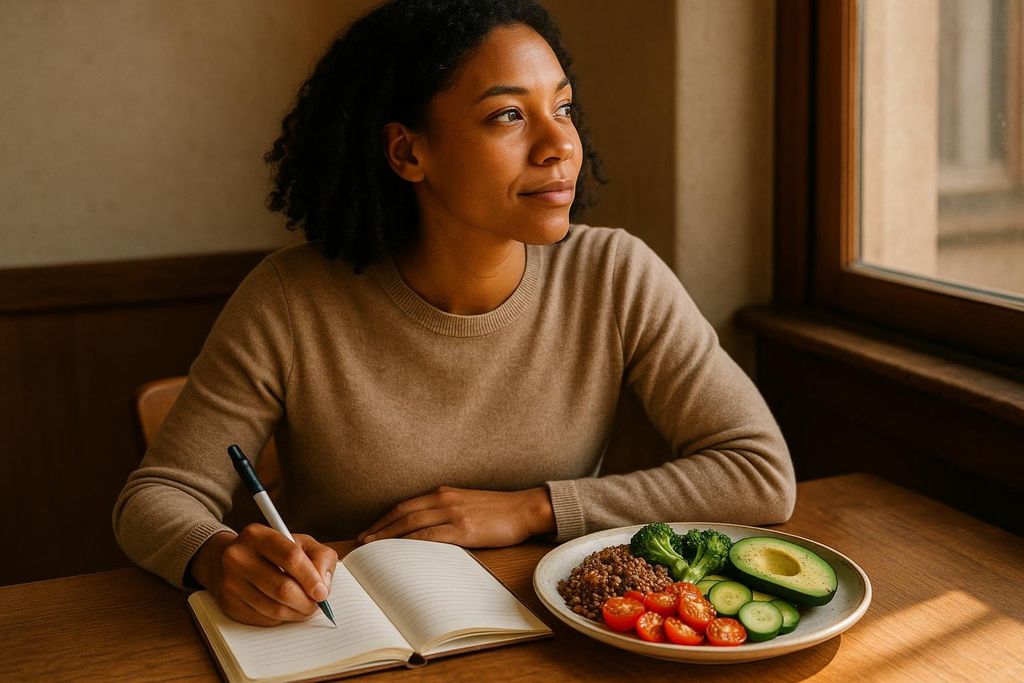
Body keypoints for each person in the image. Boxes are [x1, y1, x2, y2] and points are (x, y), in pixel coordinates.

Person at [113, 0, 796, 628]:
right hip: (344, 636)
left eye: (562, 107)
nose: (559, 145)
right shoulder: (290, 299)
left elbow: (759, 471)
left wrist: (533, 507)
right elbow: (158, 495)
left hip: (555, 632)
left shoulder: (615, 273)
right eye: (509, 115)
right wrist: (214, 552)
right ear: (409, 152)